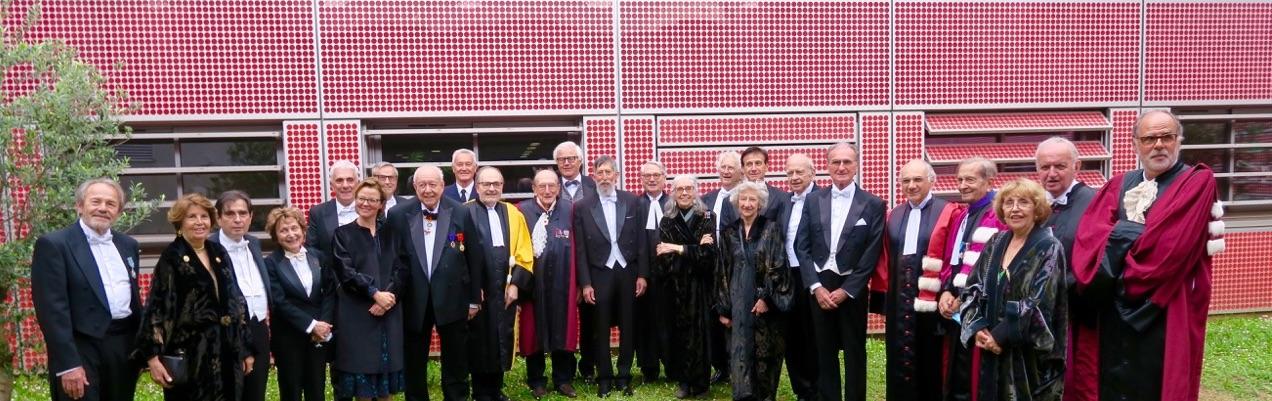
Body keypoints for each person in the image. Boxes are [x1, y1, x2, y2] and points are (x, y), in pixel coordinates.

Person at [1069, 110, 1224, 401]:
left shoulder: (1196, 182)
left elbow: (1169, 250)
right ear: (1135, 144)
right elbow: (1089, 239)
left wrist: (1119, 239)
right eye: (1149, 138)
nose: (1159, 145)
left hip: (1166, 303)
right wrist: (1133, 233)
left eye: (1167, 137)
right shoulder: (1118, 184)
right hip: (1114, 307)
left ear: (1179, 141)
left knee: (1156, 384)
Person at [135, 193, 254, 401]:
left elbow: (237, 301)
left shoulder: (218, 251)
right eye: (192, 217)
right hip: (191, 357)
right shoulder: (171, 257)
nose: (199, 222)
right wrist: (153, 358)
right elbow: (156, 310)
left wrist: (244, 347)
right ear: (180, 223)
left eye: (204, 216)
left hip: (227, 352)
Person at [32, 178, 142, 401]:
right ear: (80, 206)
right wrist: (68, 364)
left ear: (119, 212)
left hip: (122, 348)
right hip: (81, 349)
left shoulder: (128, 245)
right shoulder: (54, 245)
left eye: (111, 204)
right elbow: (52, 311)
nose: (103, 208)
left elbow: (134, 299)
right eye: (96, 201)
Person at [957, 179, 1066, 401]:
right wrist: (978, 327)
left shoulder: (1048, 246)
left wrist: (999, 336)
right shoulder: (996, 241)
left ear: (1036, 209)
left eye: (1023, 202)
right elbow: (973, 287)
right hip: (989, 345)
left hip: (1026, 354)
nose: (1015, 209)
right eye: (1008, 203)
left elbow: (1040, 301)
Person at [794, 142, 885, 401]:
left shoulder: (873, 204)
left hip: (852, 288)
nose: (841, 167)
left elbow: (871, 253)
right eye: (836, 162)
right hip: (820, 285)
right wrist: (815, 286)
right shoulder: (812, 200)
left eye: (847, 162)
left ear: (856, 165)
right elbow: (802, 246)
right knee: (823, 350)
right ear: (827, 166)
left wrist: (848, 290)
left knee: (855, 351)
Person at [388, 165, 479, 401]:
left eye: (433, 184)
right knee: (414, 358)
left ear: (442, 185)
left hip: (453, 297)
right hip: (413, 298)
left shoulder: (461, 212)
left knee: (456, 356)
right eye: (422, 185)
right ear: (414, 187)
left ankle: (456, 397)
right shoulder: (398, 214)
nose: (428, 190)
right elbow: (392, 259)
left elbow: (473, 256)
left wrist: (473, 299)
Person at [573, 156, 649, 397]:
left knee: (628, 324)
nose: (604, 177)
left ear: (616, 175)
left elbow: (642, 242)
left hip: (628, 271)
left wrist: (643, 275)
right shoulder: (582, 206)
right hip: (599, 273)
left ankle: (624, 376)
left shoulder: (632, 201)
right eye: (600, 173)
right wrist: (585, 283)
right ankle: (604, 376)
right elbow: (580, 250)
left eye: (608, 172)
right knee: (600, 326)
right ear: (593, 176)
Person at [935, 157, 1008, 401]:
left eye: (970, 179)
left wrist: (964, 297)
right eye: (960, 179)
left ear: (989, 181)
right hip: (957, 310)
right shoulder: (961, 215)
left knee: (974, 377)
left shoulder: (999, 216)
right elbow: (952, 259)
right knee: (955, 372)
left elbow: (993, 268)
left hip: (982, 311)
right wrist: (946, 290)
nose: (963, 185)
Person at [716, 180, 794, 401]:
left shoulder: (771, 228)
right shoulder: (729, 232)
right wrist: (724, 308)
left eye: (752, 199)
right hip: (738, 303)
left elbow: (778, 266)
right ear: (736, 202)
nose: (747, 204)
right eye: (744, 199)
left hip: (763, 306)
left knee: (765, 357)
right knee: (739, 355)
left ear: (760, 204)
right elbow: (721, 270)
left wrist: (766, 298)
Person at [330, 179, 407, 401]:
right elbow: (346, 272)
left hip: (389, 314)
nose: (366, 204)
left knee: (385, 389)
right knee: (362, 386)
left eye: (372, 200)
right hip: (357, 315)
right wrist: (374, 293)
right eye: (362, 198)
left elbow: (402, 269)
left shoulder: (392, 233)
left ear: (381, 204)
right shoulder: (342, 234)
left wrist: (388, 299)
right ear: (355, 200)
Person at [462, 166, 535, 401]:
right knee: (478, 339)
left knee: (500, 337)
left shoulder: (514, 214)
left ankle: (495, 389)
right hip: (478, 290)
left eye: (496, 184)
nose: (491, 188)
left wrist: (516, 285)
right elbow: (454, 251)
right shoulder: (462, 213)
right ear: (477, 186)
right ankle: (479, 391)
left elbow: (525, 251)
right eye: (486, 184)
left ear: (502, 187)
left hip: (504, 288)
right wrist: (470, 288)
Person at [880, 160, 950, 401]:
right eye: (906, 180)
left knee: (928, 358)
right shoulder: (895, 214)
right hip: (900, 301)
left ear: (932, 180)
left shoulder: (947, 211)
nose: (911, 185)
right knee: (899, 357)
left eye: (917, 180)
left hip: (931, 302)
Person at [517, 169, 581, 398]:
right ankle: (537, 381)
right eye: (542, 186)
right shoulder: (521, 211)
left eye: (552, 186)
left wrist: (581, 283)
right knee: (533, 330)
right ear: (534, 188)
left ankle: (563, 379)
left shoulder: (570, 210)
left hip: (564, 281)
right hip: (533, 284)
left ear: (558, 188)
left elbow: (579, 247)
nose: (547, 190)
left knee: (562, 329)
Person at [654, 175, 717, 399]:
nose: (684, 193)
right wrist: (692, 250)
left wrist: (675, 247)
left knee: (700, 335)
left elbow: (708, 257)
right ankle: (683, 382)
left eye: (689, 188)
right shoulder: (667, 220)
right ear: (672, 192)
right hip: (675, 287)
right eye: (679, 189)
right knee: (678, 335)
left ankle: (701, 384)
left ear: (696, 191)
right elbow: (663, 258)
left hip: (700, 288)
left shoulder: (707, 217)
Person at [264, 207, 336, 401]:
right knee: (291, 392)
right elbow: (278, 302)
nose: (291, 234)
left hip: (318, 337)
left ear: (303, 230)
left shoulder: (318, 257)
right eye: (283, 230)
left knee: (317, 391)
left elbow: (330, 292)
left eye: (294, 228)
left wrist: (324, 324)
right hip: (288, 338)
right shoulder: (270, 263)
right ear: (275, 235)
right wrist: (311, 325)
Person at [208, 190, 273, 401]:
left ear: (251, 216)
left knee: (255, 394)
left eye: (243, 213)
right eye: (230, 214)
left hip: (258, 329)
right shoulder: (208, 249)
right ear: (218, 218)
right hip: (227, 334)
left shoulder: (253, 243)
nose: (238, 219)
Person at [779, 153, 821, 401]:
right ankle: (801, 389)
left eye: (799, 172)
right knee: (792, 335)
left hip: (813, 277)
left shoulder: (822, 199)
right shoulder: (785, 202)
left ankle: (817, 386)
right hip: (788, 277)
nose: (794, 177)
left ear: (812, 173)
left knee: (813, 335)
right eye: (789, 173)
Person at [700, 150, 743, 384]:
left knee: (733, 317)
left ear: (740, 171)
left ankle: (737, 366)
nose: (726, 171)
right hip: (710, 268)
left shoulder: (744, 197)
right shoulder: (706, 198)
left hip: (735, 267)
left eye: (731, 167)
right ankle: (721, 367)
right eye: (723, 167)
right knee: (712, 317)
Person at [635, 160, 670, 384]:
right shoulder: (634, 204)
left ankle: (672, 365)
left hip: (670, 274)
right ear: (641, 179)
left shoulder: (674, 202)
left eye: (656, 175)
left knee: (669, 321)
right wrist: (641, 273)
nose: (652, 179)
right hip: (642, 274)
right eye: (647, 175)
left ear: (664, 178)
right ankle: (649, 368)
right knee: (644, 321)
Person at [1035, 138, 1096, 256]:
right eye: (1045, 167)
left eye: (1060, 166)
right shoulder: (1031, 203)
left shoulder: (1095, 202)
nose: (1052, 174)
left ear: (1077, 167)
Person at [308, 160, 362, 265]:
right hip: (333, 278)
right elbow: (312, 250)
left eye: (350, 180)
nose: (345, 185)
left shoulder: (371, 209)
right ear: (331, 185)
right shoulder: (318, 213)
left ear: (358, 183)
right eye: (339, 180)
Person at [740, 146, 791, 220]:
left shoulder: (782, 197)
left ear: (766, 166)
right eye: (749, 164)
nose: (753, 168)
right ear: (743, 168)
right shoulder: (730, 199)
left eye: (758, 163)